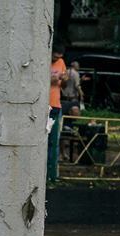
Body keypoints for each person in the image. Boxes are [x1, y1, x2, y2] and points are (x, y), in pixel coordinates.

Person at [48, 47, 67, 182]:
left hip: (56, 104)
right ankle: (44, 174)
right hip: (44, 105)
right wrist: (53, 78)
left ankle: (53, 175)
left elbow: (63, 85)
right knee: (44, 141)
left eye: (59, 57)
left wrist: (65, 79)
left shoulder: (61, 62)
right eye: (55, 57)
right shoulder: (43, 60)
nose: (57, 60)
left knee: (55, 141)